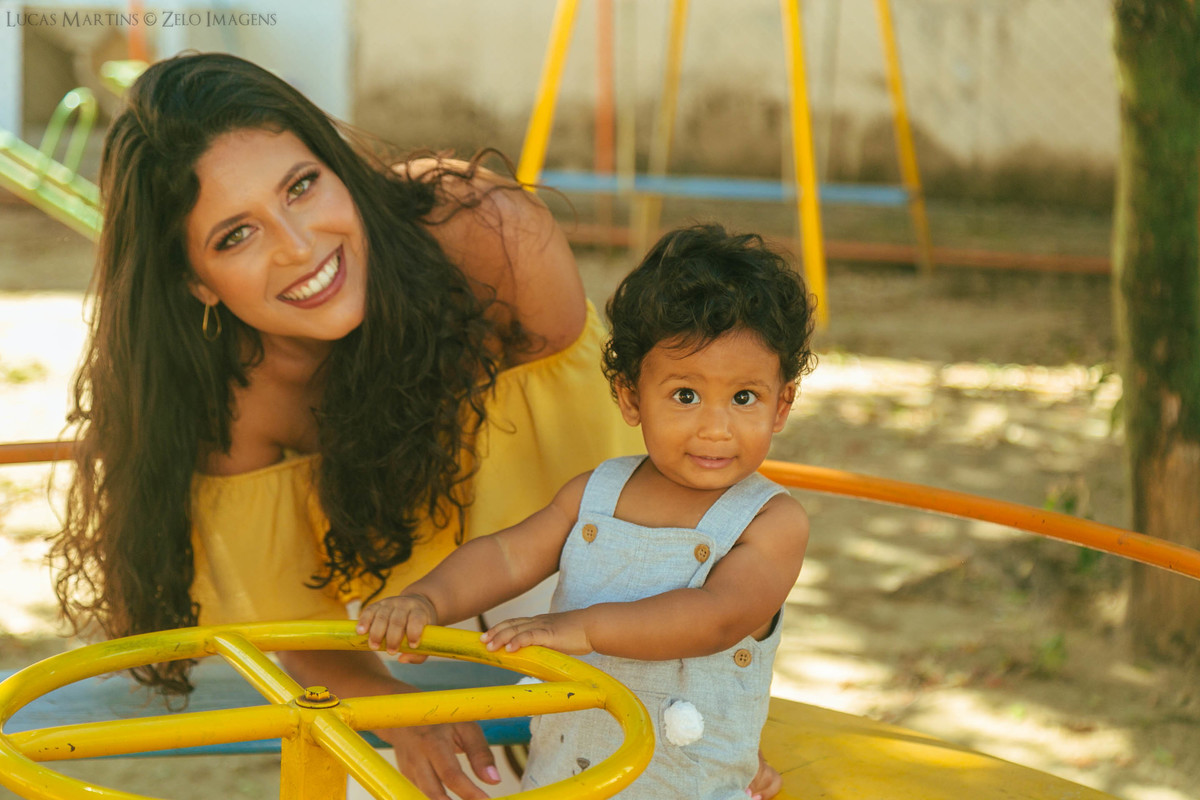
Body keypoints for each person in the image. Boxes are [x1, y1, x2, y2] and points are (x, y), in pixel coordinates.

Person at [50, 51, 652, 799]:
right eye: (236, 235)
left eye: (301, 186)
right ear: (195, 281)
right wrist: (396, 711)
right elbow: (302, 628)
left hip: (611, 579)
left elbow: (617, 477)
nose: (299, 247)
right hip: (410, 628)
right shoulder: (228, 398)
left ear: (339, 167)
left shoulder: (488, 236)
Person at [358, 224, 815, 799]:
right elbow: (508, 554)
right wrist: (428, 599)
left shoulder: (770, 523)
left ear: (781, 405)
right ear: (630, 396)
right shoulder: (595, 494)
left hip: (686, 788)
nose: (716, 427)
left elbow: (715, 616)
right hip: (564, 781)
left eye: (744, 397)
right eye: (685, 395)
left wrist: (581, 627)